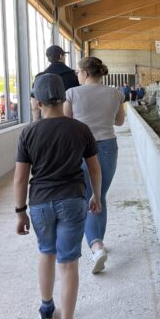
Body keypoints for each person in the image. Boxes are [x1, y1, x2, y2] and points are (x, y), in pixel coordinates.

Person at [14, 73, 102, 319]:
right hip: (73, 201)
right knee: (68, 262)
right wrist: (96, 196)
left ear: (37, 102)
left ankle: (46, 309)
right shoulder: (80, 129)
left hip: (39, 203)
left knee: (46, 252)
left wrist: (20, 212)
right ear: (64, 98)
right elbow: (94, 168)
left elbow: (19, 178)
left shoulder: (27, 132)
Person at [64, 57, 125, 274]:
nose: (77, 75)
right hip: (108, 146)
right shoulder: (116, 93)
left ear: (86, 73)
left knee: (87, 196)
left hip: (80, 148)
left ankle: (96, 245)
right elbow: (119, 122)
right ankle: (98, 241)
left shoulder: (72, 93)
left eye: (78, 72)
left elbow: (66, 122)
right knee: (100, 195)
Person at [31, 45, 80, 122]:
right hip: (71, 121)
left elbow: (35, 107)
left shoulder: (39, 77)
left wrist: (36, 124)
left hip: (47, 122)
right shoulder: (75, 75)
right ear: (61, 56)